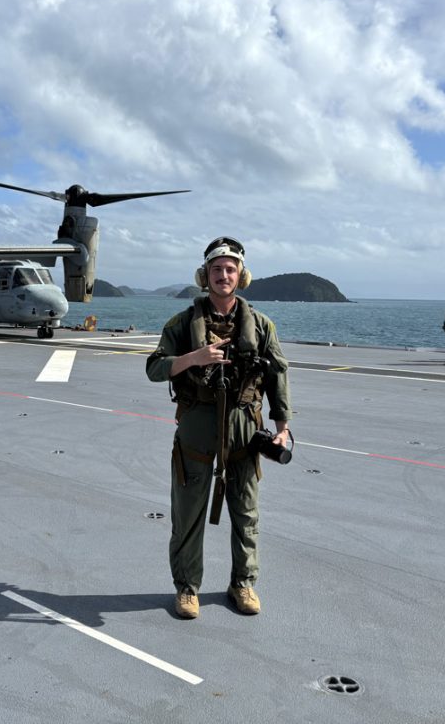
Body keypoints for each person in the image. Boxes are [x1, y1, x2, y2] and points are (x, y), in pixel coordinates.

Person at [145, 236, 292, 619]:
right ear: (205, 275)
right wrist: (193, 357)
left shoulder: (261, 326)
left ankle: (243, 584)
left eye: (230, 269)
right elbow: (154, 368)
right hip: (196, 430)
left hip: (244, 431)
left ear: (241, 275)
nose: (223, 275)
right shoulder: (181, 324)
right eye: (216, 269)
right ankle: (187, 590)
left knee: (246, 515)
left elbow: (278, 376)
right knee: (188, 515)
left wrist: (283, 427)